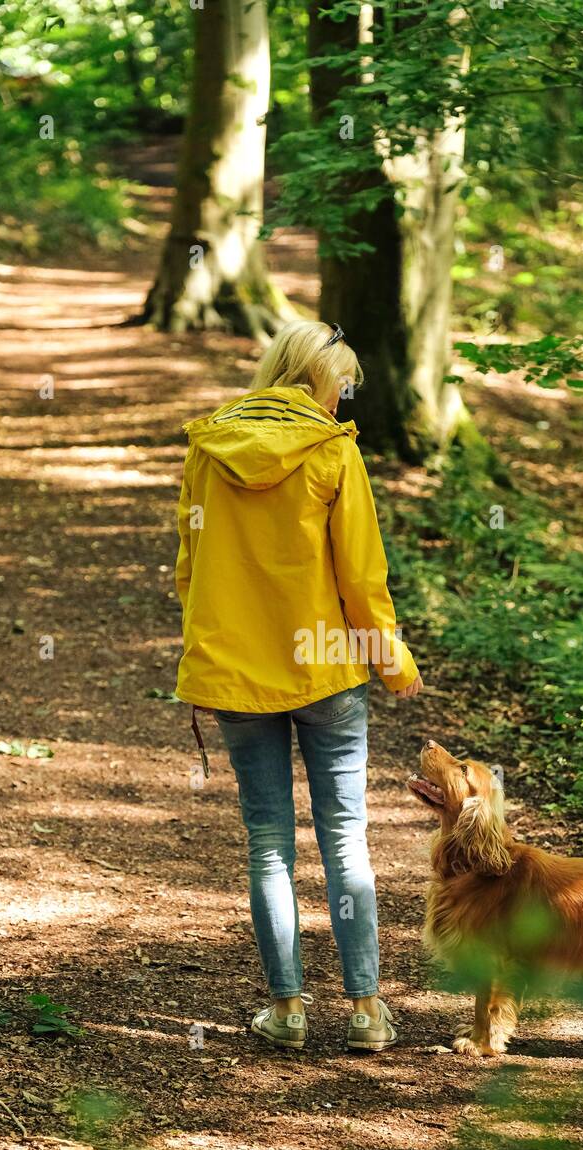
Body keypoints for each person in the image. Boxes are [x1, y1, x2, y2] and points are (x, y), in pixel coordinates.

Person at [175, 321, 422, 1051]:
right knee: (346, 841)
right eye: (340, 385)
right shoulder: (333, 452)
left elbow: (190, 562)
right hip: (327, 672)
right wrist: (394, 661)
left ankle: (286, 1010)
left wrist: (204, 656)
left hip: (239, 674)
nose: (344, 400)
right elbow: (361, 577)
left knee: (269, 843)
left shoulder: (209, 448)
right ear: (316, 380)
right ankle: (368, 1011)